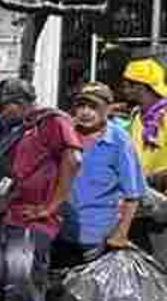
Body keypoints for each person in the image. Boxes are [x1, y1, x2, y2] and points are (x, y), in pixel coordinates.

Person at [0, 77, 83, 301]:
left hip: (34, 220)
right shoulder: (24, 129)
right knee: (23, 290)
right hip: (15, 215)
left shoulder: (53, 121)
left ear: (17, 104)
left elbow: (73, 158)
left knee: (23, 290)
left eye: (3, 108)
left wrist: (51, 205)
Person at [55, 81, 144, 271]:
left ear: (107, 109)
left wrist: (121, 233)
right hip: (60, 231)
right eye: (81, 106)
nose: (86, 112)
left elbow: (133, 194)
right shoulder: (64, 135)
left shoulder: (119, 140)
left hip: (98, 236)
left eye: (93, 107)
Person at [122, 59, 167, 191]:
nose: (124, 90)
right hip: (140, 194)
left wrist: (155, 179)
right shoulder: (136, 115)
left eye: (126, 85)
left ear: (139, 87)